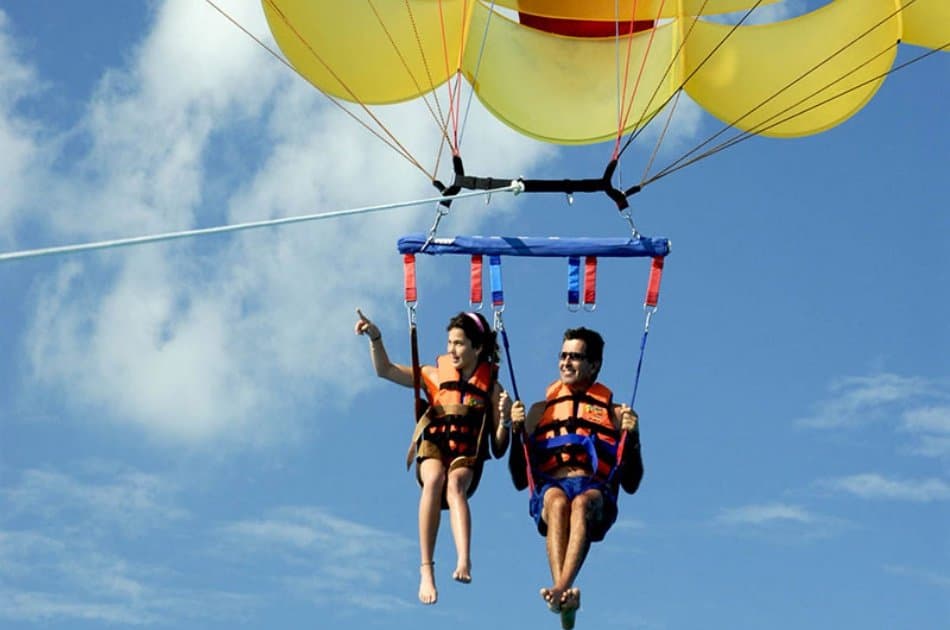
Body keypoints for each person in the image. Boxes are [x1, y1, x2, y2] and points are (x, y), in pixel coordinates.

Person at [354, 308, 511, 605]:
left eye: (459, 343)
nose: (452, 349)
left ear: (478, 348)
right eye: (450, 342)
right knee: (435, 479)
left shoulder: (492, 388)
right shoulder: (433, 374)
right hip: (434, 447)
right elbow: (385, 370)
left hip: (466, 454)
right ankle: (426, 569)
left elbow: (500, 446)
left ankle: (463, 558)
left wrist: (504, 420)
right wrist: (375, 337)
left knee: (455, 485)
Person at [508, 327, 643, 626]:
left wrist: (633, 438)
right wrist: (516, 431)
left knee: (581, 504)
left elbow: (632, 482)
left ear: (594, 365)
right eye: (563, 355)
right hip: (552, 486)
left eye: (575, 357)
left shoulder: (616, 413)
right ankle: (564, 594)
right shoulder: (539, 411)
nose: (566, 362)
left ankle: (561, 589)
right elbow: (519, 478)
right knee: (557, 502)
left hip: (595, 490)